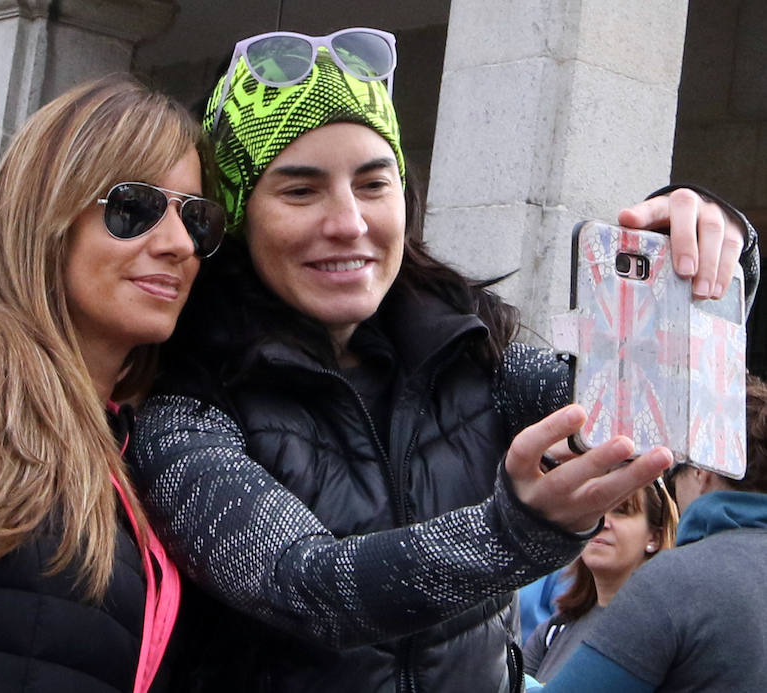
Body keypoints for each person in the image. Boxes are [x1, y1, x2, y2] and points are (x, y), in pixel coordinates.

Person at [130, 28, 761, 693]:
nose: (350, 221)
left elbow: (642, 397)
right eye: (300, 191)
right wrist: (513, 533)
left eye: (374, 184)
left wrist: (714, 258)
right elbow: (309, 584)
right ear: (237, 214)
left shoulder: (476, 359)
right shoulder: (185, 406)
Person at [0, 74, 227, 691]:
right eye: (133, 207)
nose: (177, 244)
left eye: (196, 218)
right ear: (50, 214)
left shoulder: (133, 450)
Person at [536, 375, 767, 692]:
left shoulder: (680, 581)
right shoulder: (557, 627)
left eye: (676, 468)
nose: (602, 522)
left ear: (702, 468)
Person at [523, 481, 678, 682]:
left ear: (654, 538)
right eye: (594, 509)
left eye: (621, 511)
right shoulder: (554, 630)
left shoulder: (664, 633)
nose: (603, 522)